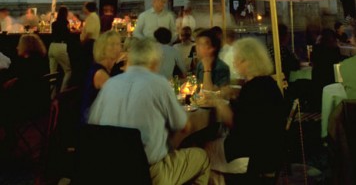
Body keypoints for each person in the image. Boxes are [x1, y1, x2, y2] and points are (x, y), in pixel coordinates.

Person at [88, 37, 210, 185]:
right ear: (154, 62)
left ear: (129, 61)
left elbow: (93, 125)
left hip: (109, 171)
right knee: (202, 158)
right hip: (148, 174)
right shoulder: (158, 84)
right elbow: (184, 127)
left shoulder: (110, 85)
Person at [202, 37, 287, 180]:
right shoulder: (267, 83)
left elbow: (235, 124)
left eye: (239, 60)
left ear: (251, 61)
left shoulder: (253, 89)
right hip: (272, 149)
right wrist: (234, 93)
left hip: (254, 154)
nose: (234, 63)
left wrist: (218, 102)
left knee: (202, 151)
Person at [80, 29, 123, 124]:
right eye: (112, 44)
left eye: (118, 44)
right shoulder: (100, 73)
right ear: (102, 48)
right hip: (92, 124)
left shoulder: (109, 69)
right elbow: (118, 97)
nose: (116, 48)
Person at [311, 28, 342, 110]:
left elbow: (313, 61)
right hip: (330, 76)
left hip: (317, 77)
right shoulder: (335, 49)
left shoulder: (316, 48)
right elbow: (337, 61)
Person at [48, 5, 72, 92]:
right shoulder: (66, 23)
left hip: (52, 46)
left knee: (52, 73)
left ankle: (52, 94)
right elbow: (68, 35)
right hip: (61, 47)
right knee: (68, 71)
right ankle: (62, 93)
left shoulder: (53, 23)